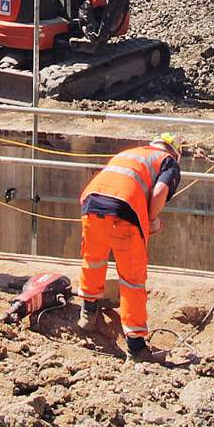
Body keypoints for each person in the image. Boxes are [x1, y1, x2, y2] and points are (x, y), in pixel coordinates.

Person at [77, 134, 182, 360]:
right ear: (174, 152)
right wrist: (152, 219)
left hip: (91, 203)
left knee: (93, 260)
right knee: (132, 279)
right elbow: (160, 190)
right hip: (124, 210)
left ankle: (88, 313)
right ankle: (136, 345)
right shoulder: (167, 161)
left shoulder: (130, 153)